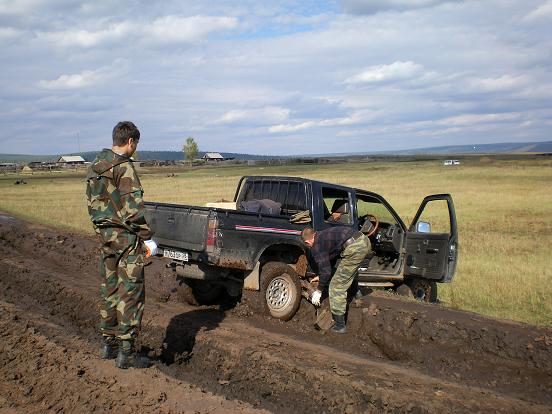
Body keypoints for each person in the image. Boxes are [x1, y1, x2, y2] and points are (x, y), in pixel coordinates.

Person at [85, 121, 157, 369]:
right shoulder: (124, 167)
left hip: (105, 237)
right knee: (130, 292)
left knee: (110, 289)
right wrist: (147, 237)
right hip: (126, 239)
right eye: (136, 144)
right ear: (130, 141)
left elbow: (92, 205)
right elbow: (133, 210)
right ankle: (126, 352)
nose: (135, 148)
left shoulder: (96, 165)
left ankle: (109, 344)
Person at [301, 226, 371, 334]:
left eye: (307, 245)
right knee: (347, 270)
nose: (309, 247)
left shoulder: (317, 245)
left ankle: (340, 325)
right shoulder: (322, 235)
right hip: (363, 240)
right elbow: (330, 260)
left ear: (307, 241)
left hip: (355, 248)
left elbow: (326, 271)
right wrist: (320, 276)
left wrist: (318, 291)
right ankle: (356, 293)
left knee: (336, 286)